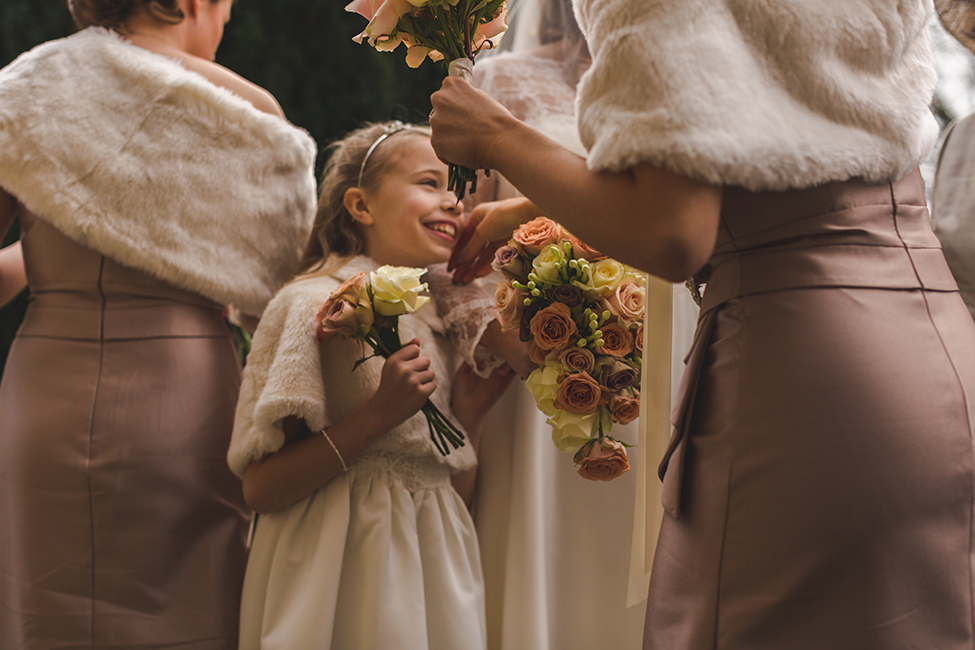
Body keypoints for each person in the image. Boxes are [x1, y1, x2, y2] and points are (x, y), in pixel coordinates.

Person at [431, 0, 975, 648]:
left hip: (802, 376)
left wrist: (496, 137)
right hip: (934, 355)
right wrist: (533, 205)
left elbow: (670, 233)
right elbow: (793, 154)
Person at [0, 0, 317, 647]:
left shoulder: (27, 87)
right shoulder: (251, 111)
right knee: (195, 609)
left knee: (47, 614)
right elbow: (281, 311)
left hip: (45, 391)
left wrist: (58, 251)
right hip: (186, 396)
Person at [451, 1, 696, 648]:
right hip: (538, 352)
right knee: (551, 541)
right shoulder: (498, 82)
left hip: (665, 337)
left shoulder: (676, 76)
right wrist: (502, 337)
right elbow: (460, 238)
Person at [228, 121, 514, 649]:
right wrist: (377, 415)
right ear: (360, 205)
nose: (454, 201)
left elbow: (443, 489)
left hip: (436, 573)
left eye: (458, 190)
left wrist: (467, 418)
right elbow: (260, 487)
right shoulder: (310, 304)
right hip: (339, 567)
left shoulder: (433, 326)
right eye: (430, 182)